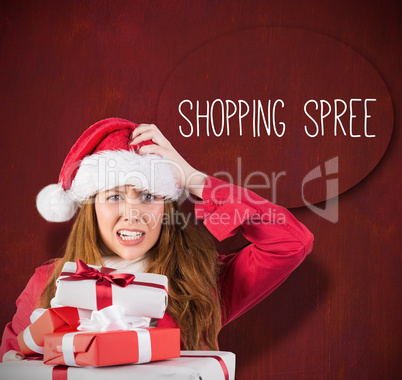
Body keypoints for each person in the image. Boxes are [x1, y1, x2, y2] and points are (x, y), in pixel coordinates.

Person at [0, 118, 314, 362]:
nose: (133, 213)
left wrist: (193, 178)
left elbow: (290, 242)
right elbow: (12, 366)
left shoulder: (202, 281)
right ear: (90, 208)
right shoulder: (48, 283)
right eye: (114, 196)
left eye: (148, 195)